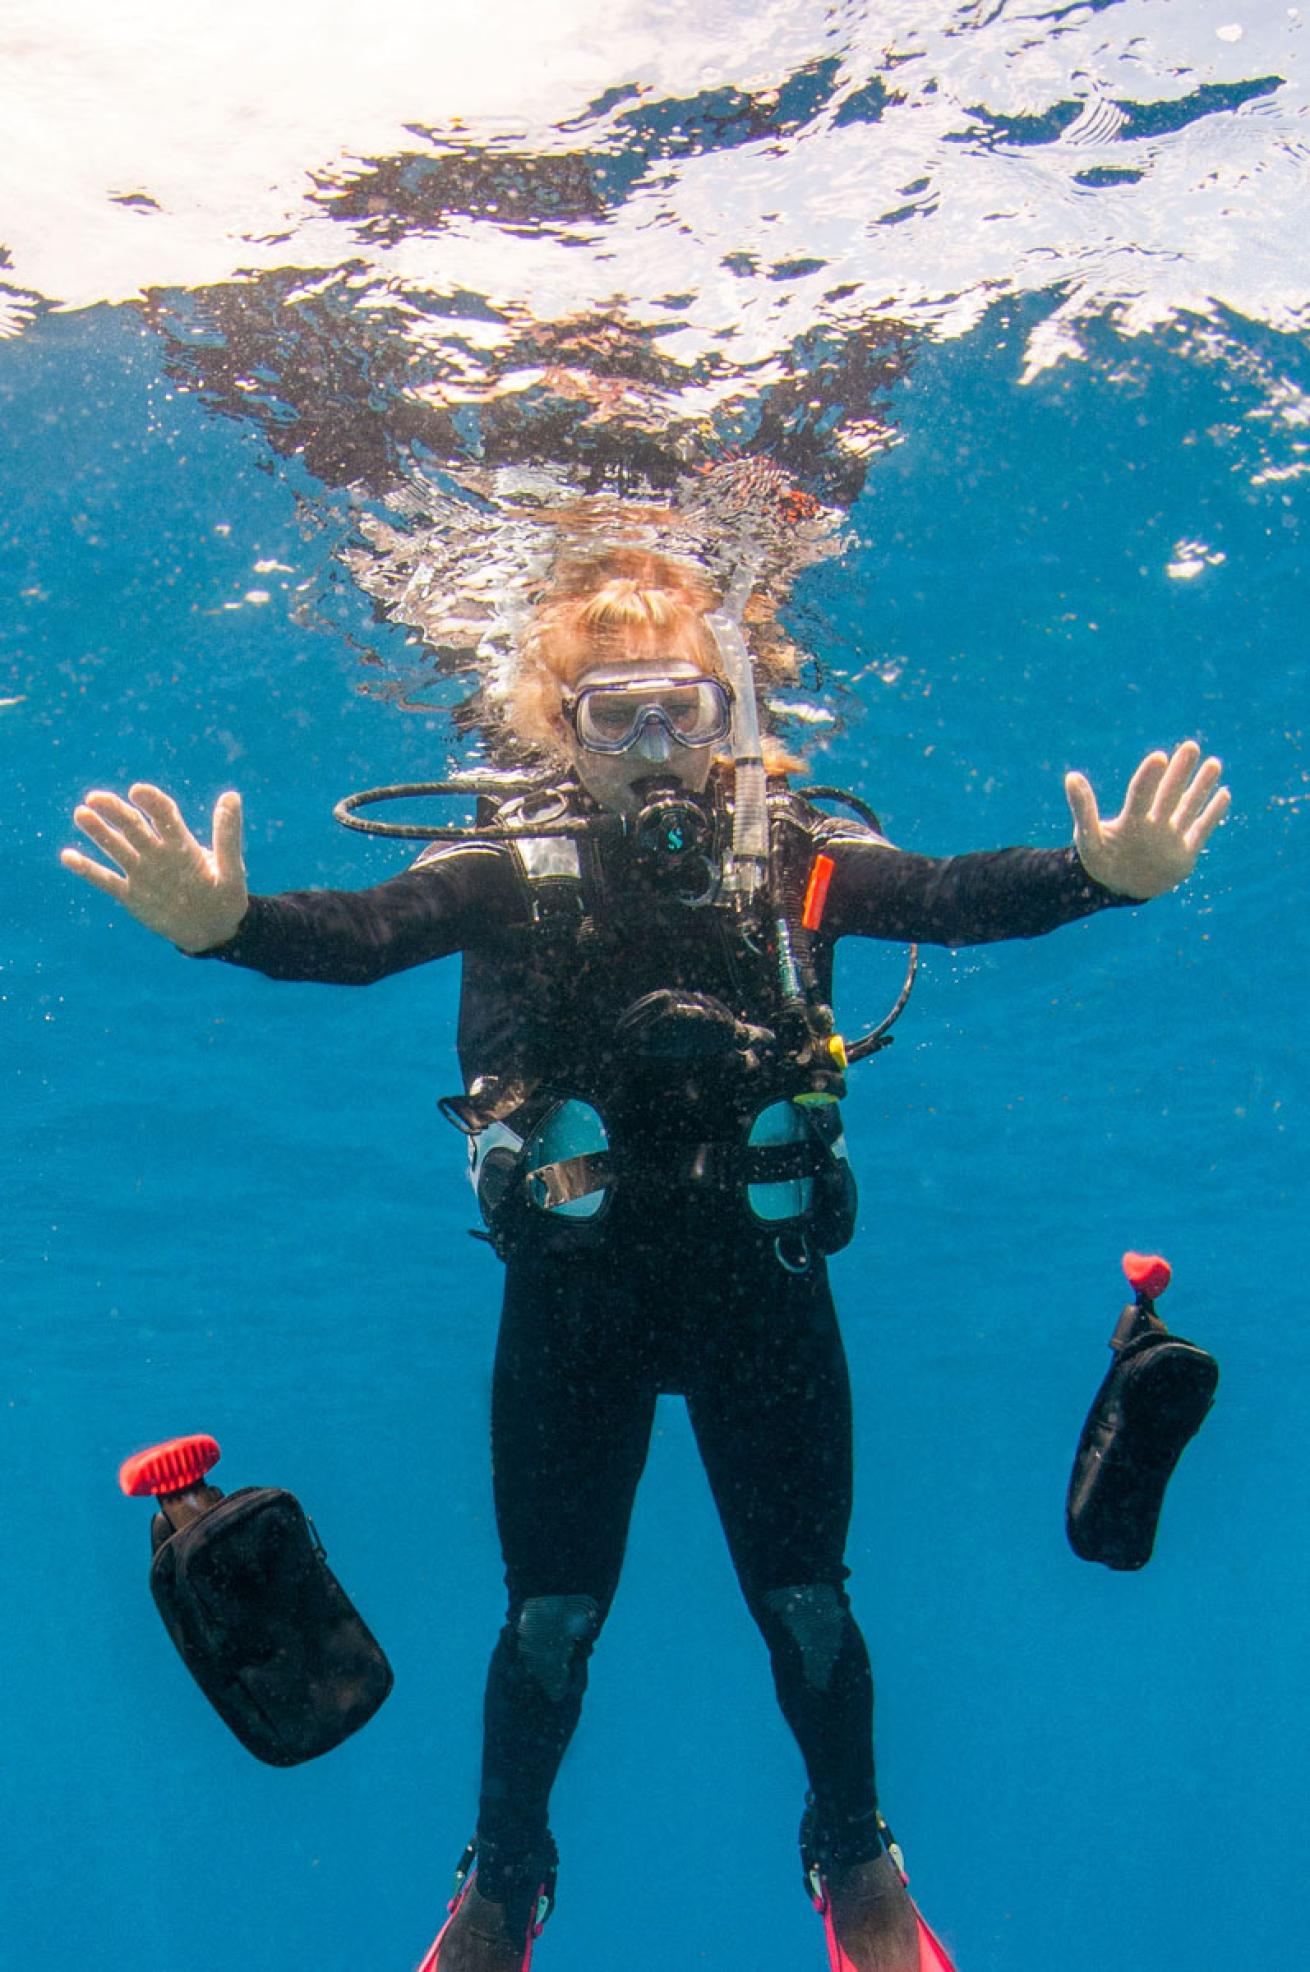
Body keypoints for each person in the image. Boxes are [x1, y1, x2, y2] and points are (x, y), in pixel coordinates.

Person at [62, 548, 1229, 1972]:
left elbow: (942, 896)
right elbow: (367, 934)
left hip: (764, 1294)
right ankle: (502, 1887)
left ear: (729, 716)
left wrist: (1095, 878)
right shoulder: (507, 870)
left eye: (682, 709)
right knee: (549, 1620)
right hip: (576, 1306)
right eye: (614, 719)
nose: (656, 749)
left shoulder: (788, 860)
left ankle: (855, 1856)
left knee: (807, 1604)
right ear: (560, 731)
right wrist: (226, 926)